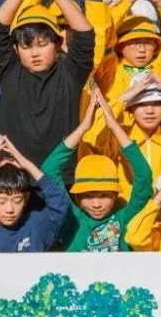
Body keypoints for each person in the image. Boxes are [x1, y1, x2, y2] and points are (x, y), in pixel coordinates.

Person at [0, 0, 97, 165]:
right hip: (15, 177)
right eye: (26, 47)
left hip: (60, 177)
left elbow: (85, 34)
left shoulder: (71, 74)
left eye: (42, 44)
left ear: (57, 43)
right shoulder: (10, 72)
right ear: (16, 49)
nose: (34, 53)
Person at [42, 89, 154, 251]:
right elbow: (49, 170)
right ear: (78, 198)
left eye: (104, 196)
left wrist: (114, 126)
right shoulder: (71, 218)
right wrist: (83, 127)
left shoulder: (125, 218)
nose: (96, 204)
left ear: (115, 195)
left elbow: (144, 175)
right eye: (88, 196)